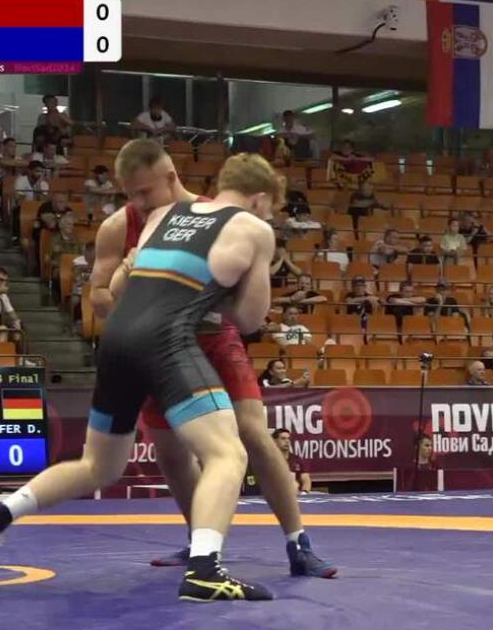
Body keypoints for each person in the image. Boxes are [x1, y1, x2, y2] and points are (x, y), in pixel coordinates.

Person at [0, 153, 291, 602]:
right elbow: (250, 319)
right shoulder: (254, 229)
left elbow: (116, 288)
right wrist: (229, 285)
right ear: (259, 199)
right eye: (269, 209)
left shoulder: (162, 217)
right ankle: (205, 570)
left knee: (98, 466)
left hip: (116, 339)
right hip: (166, 339)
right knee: (227, 453)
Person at [84, 143, 336, 577]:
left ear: (170, 178)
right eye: (131, 194)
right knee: (171, 453)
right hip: (154, 344)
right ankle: (200, 540)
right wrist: (130, 274)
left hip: (213, 336)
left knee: (253, 434)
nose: (139, 203)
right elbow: (99, 301)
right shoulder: (119, 226)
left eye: (145, 193)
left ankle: (299, 542)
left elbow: (247, 310)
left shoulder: (217, 215)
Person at [271, 429, 311, 494]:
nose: (287, 441)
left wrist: (304, 493)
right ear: (275, 441)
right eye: (283, 438)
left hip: (296, 495)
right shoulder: (269, 460)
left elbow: (306, 479)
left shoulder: (297, 459)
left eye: (288, 438)